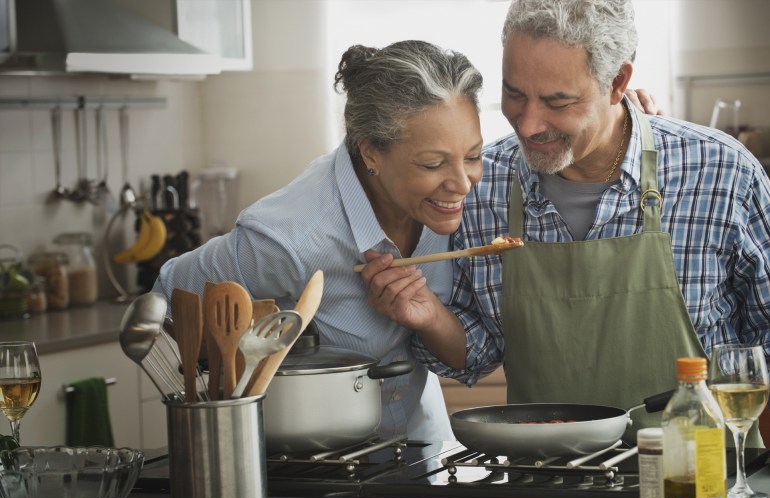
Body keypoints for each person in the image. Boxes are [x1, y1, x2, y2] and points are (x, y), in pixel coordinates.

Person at [362, 0, 770, 443]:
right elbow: (478, 354)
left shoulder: (721, 172)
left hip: (700, 482)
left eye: (558, 101)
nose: (529, 123)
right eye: (514, 93)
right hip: (546, 481)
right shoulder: (481, 186)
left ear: (617, 83)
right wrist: (429, 316)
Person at [153, 40, 485, 443]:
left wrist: (430, 315)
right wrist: (245, 360)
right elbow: (167, 304)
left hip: (423, 443)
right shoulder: (288, 238)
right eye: (433, 164)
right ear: (371, 154)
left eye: (472, 156)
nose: (462, 183)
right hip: (310, 460)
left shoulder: (448, 208)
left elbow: (467, 358)